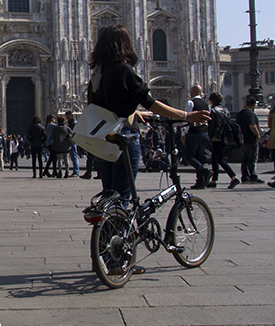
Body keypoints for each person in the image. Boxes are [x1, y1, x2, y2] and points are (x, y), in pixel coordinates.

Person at [85, 24, 208, 207]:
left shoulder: (98, 73)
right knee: (122, 198)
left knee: (109, 196)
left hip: (103, 139)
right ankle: (120, 224)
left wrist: (132, 110)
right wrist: (186, 116)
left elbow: (100, 105)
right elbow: (150, 102)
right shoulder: (123, 70)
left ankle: (108, 225)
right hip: (124, 136)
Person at [205, 93, 240, 188]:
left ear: (212, 100)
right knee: (214, 158)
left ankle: (233, 177)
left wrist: (209, 137)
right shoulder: (225, 109)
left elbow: (212, 126)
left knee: (220, 158)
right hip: (224, 136)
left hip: (216, 136)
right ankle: (214, 180)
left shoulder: (214, 111)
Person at [182, 84, 210, 189]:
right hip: (204, 133)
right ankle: (200, 181)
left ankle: (204, 170)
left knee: (189, 156)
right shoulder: (206, 105)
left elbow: (187, 117)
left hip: (194, 133)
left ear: (194, 92)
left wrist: (184, 133)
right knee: (199, 157)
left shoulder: (190, 103)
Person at [236, 95, 263, 183]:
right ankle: (253, 176)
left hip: (243, 139)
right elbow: (252, 125)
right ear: (253, 105)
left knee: (244, 159)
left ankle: (245, 176)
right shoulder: (250, 113)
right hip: (251, 139)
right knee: (252, 158)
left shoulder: (240, 113)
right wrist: (258, 134)